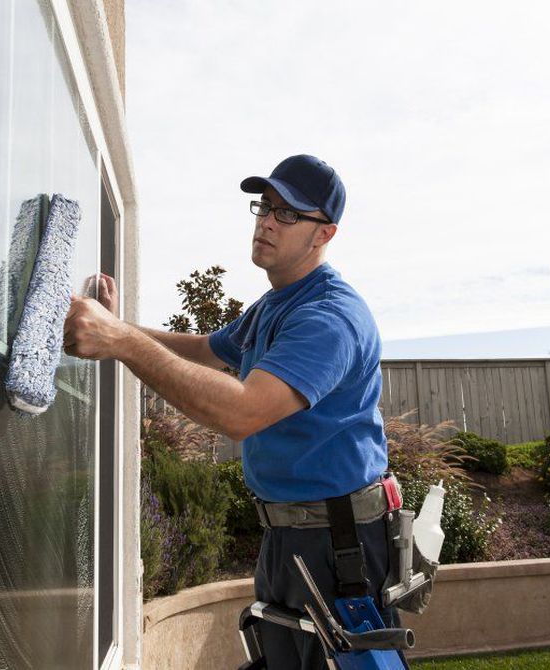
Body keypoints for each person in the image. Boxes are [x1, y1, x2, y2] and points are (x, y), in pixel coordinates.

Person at [63, 154, 408, 669]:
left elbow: (243, 414)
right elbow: (205, 349)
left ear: (324, 234)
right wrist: (123, 328)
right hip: (290, 535)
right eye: (265, 206)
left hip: (340, 547)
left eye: (288, 213)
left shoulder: (329, 316)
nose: (267, 220)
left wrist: (120, 342)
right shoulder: (274, 306)